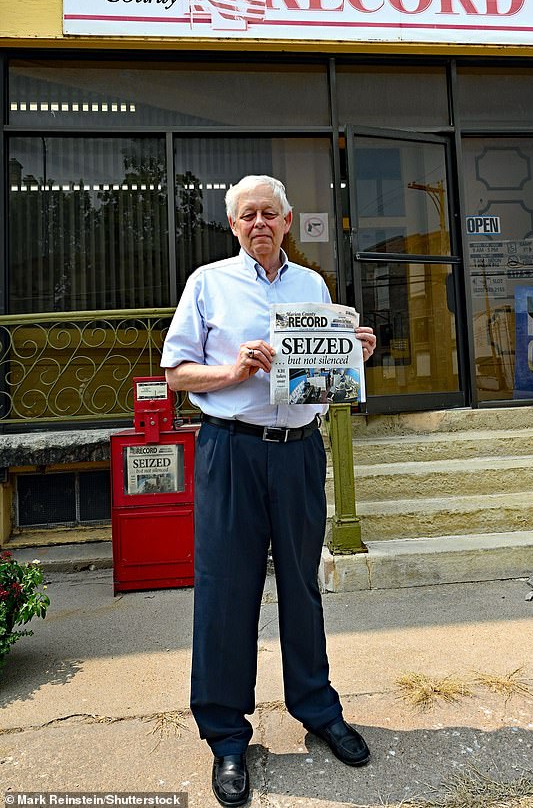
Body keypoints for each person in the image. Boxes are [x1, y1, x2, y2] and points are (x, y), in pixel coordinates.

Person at [161, 174, 377, 808]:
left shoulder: (312, 287)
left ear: (287, 221)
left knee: (303, 588)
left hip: (299, 453)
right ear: (234, 227)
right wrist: (232, 370)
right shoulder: (207, 283)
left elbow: (325, 374)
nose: (259, 223)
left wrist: (355, 351)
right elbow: (175, 373)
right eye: (247, 215)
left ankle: (317, 709)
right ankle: (227, 735)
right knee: (226, 591)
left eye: (270, 214)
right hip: (231, 449)